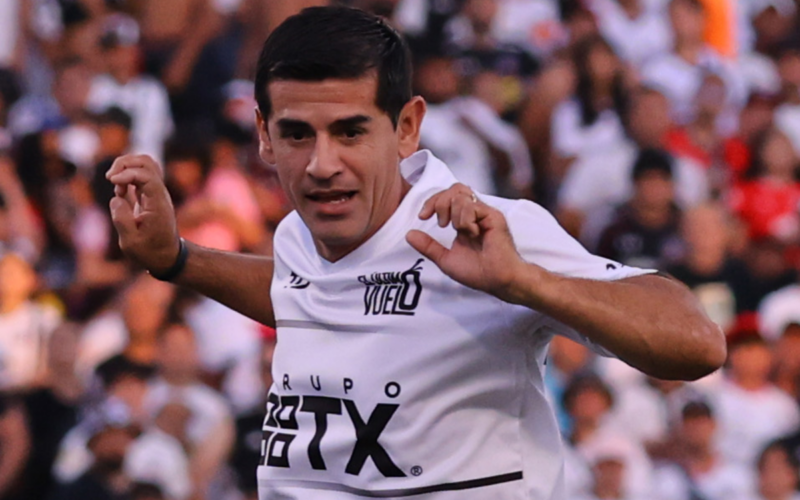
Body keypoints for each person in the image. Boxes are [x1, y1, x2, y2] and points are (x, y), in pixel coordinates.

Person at [106, 6, 725, 499]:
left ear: (406, 127)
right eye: (297, 133)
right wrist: (177, 259)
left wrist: (529, 284)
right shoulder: (299, 238)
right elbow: (304, 292)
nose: (322, 164)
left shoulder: (484, 235)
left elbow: (698, 343)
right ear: (265, 136)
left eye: (351, 131)